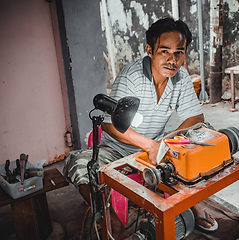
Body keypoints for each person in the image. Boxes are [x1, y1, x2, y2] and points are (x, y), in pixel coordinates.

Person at [63, 17, 217, 237]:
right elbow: (108, 125)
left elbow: (195, 117)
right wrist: (148, 144)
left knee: (202, 133)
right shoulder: (132, 77)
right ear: (150, 50)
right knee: (79, 163)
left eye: (179, 52)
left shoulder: (180, 77)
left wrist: (168, 143)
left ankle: (191, 202)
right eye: (164, 51)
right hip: (118, 149)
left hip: (155, 147)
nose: (172, 60)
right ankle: (111, 221)